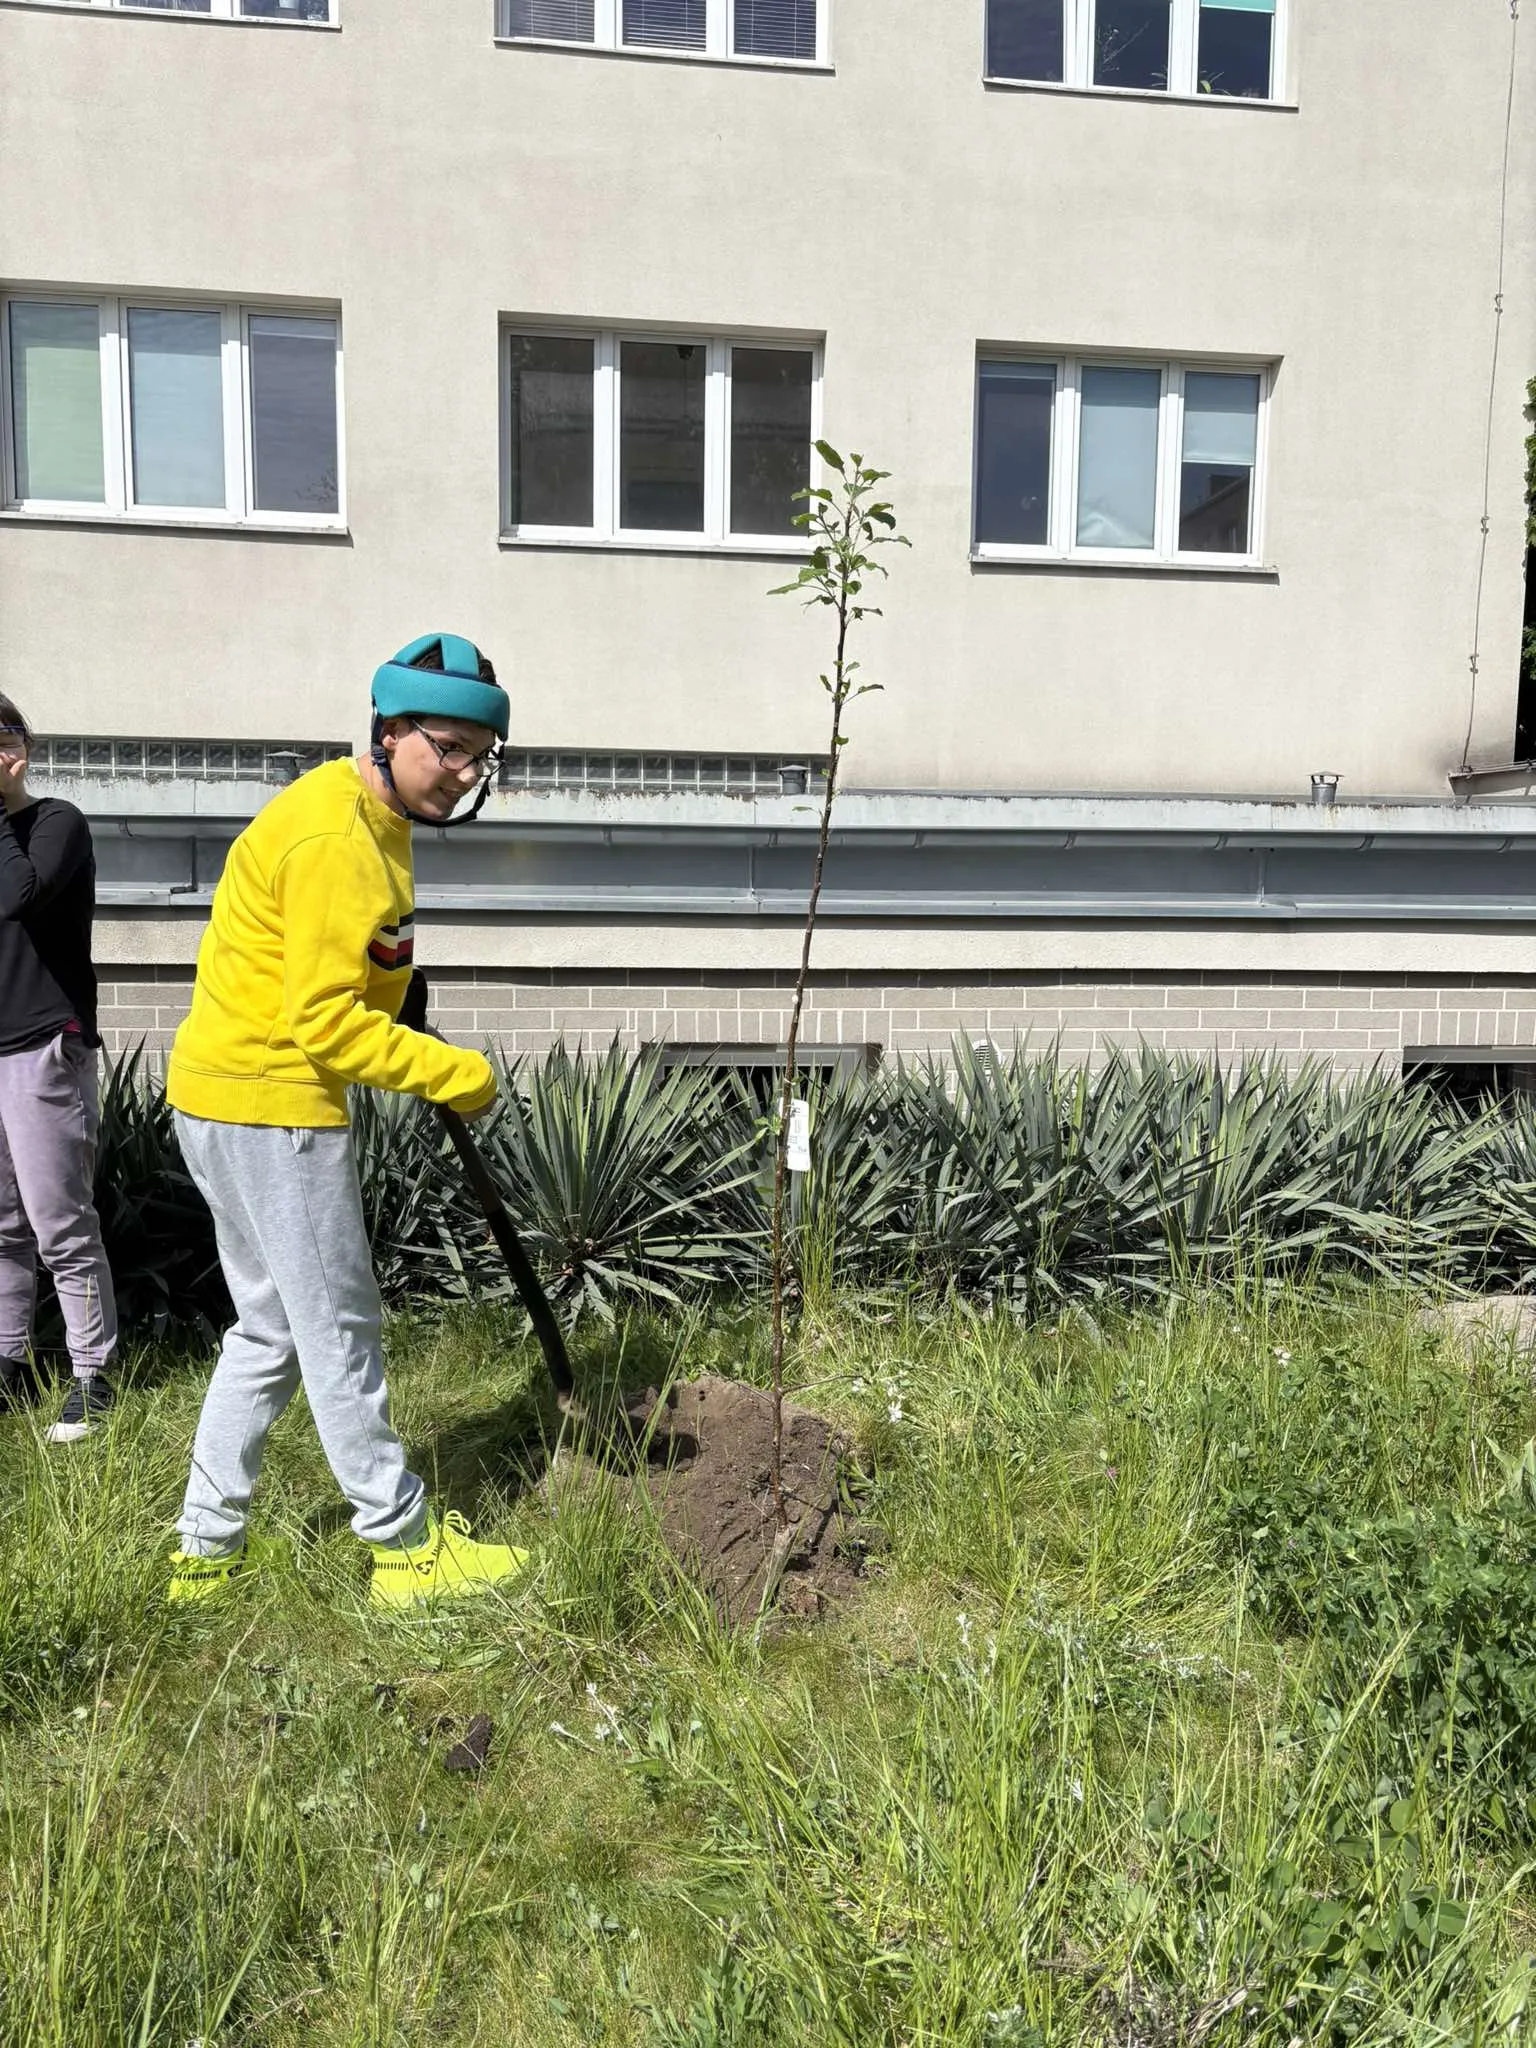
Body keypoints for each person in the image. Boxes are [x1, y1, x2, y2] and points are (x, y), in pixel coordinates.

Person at [164, 634, 526, 1606]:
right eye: (446, 747)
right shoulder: (339, 841)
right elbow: (321, 1021)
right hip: (273, 1103)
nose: (461, 772)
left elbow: (345, 957)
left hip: (217, 1093)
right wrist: (451, 1071)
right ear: (390, 728)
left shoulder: (357, 812)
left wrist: (393, 984)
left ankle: (204, 1548)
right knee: (338, 1325)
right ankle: (404, 1549)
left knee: (269, 1330)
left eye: (478, 756)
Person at [0, 693, 119, 1442]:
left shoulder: (55, 822)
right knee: (1, 1227)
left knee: (59, 1223)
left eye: (1, 734)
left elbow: (19, 895)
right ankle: (8, 1363)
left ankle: (92, 1375)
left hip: (45, 1041)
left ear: (25, 745)